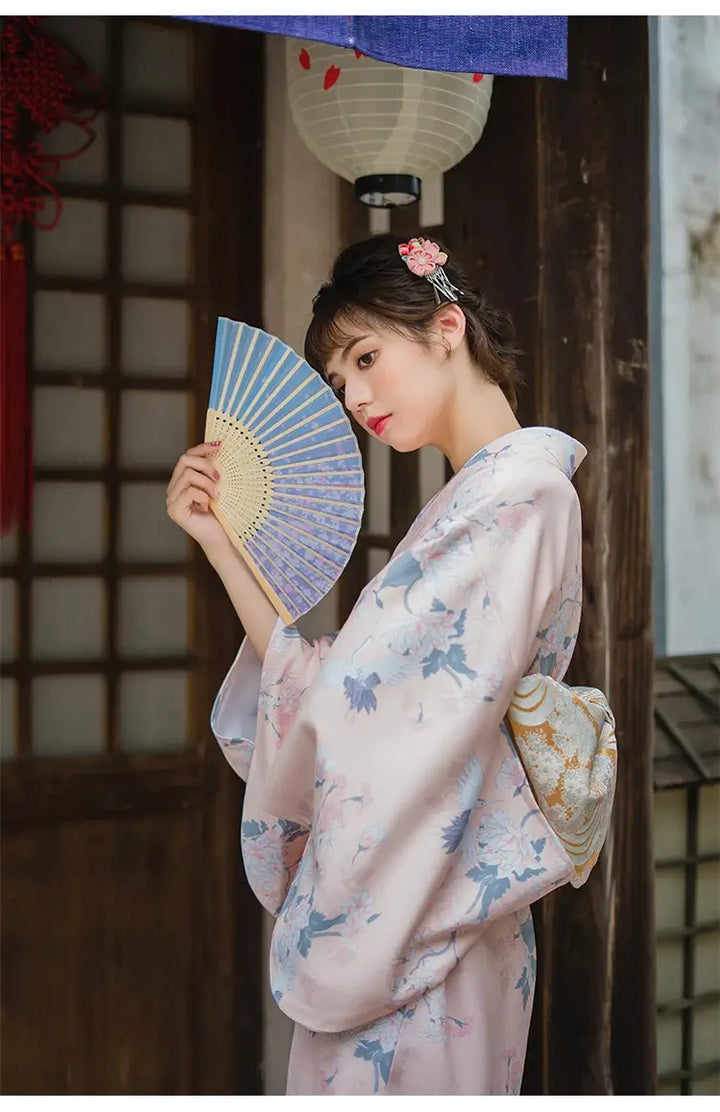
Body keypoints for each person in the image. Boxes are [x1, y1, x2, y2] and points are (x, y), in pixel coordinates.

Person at [166, 234, 615, 1095]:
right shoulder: (482, 496)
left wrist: (334, 693)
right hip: (427, 901)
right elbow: (365, 692)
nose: (357, 397)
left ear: (447, 326)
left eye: (368, 357)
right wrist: (225, 547)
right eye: (340, 382)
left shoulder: (521, 495)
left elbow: (376, 712)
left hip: (428, 912)